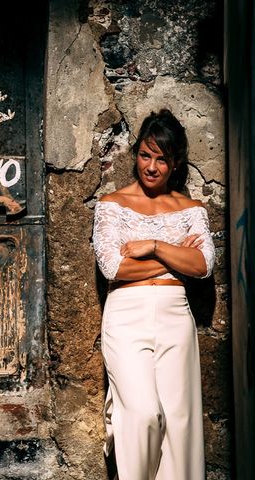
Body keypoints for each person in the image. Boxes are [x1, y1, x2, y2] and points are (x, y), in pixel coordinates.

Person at [92, 109, 214, 479]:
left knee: (179, 424)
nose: (152, 166)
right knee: (143, 413)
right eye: (145, 155)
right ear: (136, 155)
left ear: (175, 163)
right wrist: (176, 257)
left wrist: (155, 245)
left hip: (175, 315)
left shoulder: (191, 208)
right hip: (126, 314)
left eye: (162, 159)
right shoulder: (111, 205)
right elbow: (113, 268)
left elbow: (204, 265)